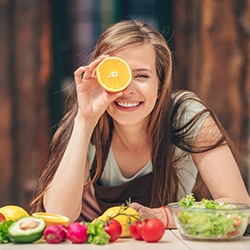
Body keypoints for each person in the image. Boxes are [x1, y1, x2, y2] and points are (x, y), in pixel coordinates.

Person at [31, 20, 250, 229]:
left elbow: (240, 206)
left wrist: (164, 217)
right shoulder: (88, 121)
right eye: (118, 75)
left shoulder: (185, 114)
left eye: (142, 75)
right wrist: (85, 120)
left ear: (160, 86)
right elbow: (59, 216)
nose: (127, 89)